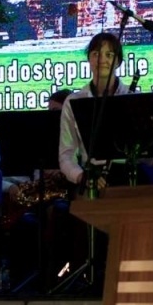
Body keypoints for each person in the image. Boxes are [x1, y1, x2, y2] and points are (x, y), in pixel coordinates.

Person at [58, 31, 129, 193]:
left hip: (127, 176)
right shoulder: (74, 101)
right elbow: (66, 154)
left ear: (118, 62)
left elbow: (151, 158)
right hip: (91, 176)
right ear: (89, 59)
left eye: (109, 54)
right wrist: (81, 176)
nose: (102, 60)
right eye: (96, 54)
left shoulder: (132, 98)